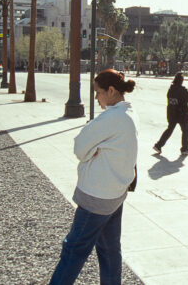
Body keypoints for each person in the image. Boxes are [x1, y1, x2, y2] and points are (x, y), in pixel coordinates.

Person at [50, 69, 138, 285]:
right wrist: (94, 149)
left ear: (111, 90)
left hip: (97, 195)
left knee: (74, 249)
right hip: (116, 193)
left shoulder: (111, 117)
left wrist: (91, 151)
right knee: (109, 251)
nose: (96, 97)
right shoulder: (129, 112)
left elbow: (80, 148)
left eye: (98, 92)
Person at [153, 72, 188, 155]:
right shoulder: (181, 90)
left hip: (171, 112)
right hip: (181, 113)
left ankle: (158, 145)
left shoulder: (171, 89)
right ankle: (184, 148)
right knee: (185, 130)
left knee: (170, 129)